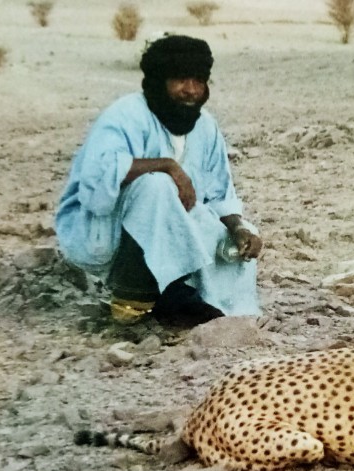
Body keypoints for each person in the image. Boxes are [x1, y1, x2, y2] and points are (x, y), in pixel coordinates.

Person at [55, 35, 262, 324]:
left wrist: (238, 228)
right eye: (180, 79)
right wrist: (167, 166)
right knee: (156, 185)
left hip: (171, 226)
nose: (190, 90)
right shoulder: (125, 115)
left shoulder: (205, 127)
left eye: (198, 81)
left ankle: (203, 299)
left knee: (234, 234)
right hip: (105, 231)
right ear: (158, 81)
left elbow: (219, 195)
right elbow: (98, 177)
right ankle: (137, 295)